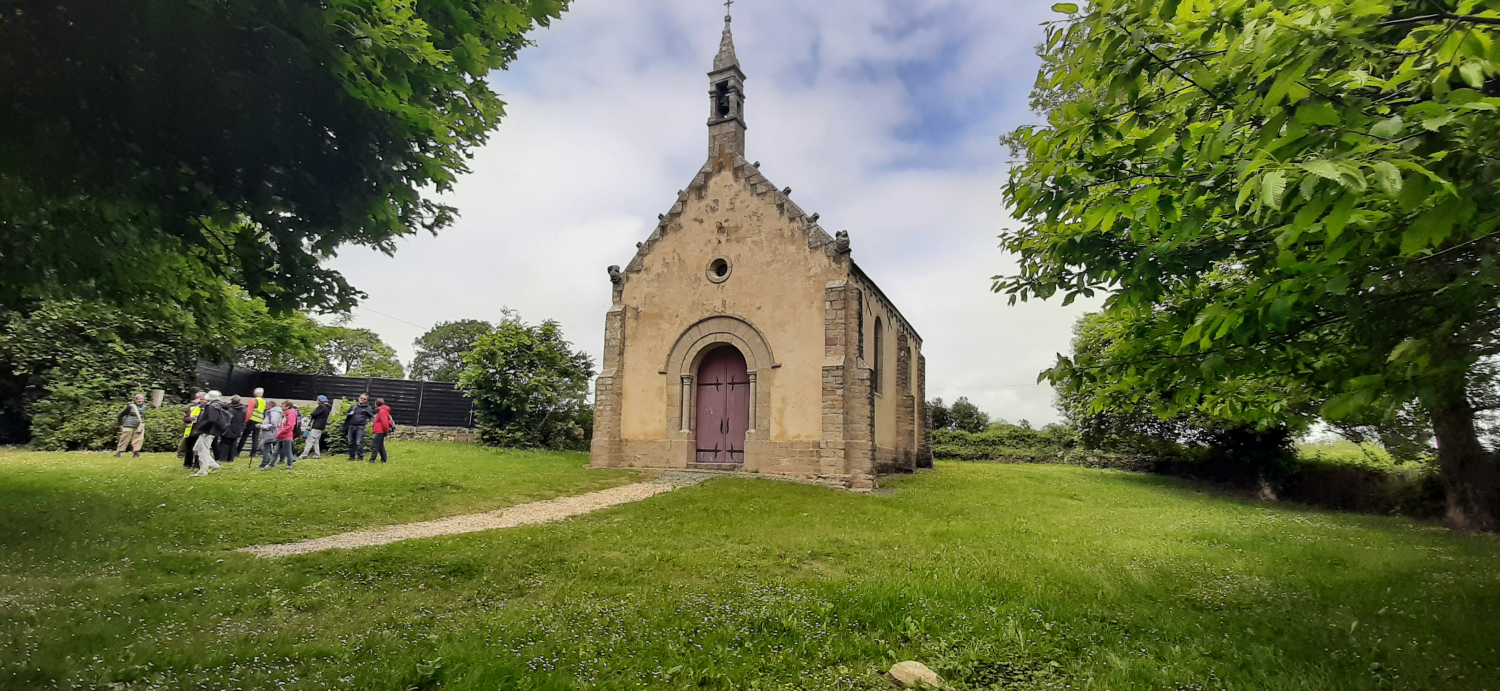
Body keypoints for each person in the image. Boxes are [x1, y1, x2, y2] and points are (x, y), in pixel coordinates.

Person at [189, 391, 226, 477]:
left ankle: (203, 470)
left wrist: (201, 427)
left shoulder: (212, 406)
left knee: (203, 450)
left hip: (208, 431)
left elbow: (211, 420)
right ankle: (213, 465)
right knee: (197, 448)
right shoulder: (217, 405)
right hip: (211, 431)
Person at [237, 388, 269, 458]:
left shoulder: (253, 400)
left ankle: (238, 451)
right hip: (259, 420)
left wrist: (245, 421)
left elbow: (249, 411)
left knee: (244, 436)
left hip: (251, 420)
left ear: (254, 393)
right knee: (255, 437)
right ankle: (253, 453)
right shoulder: (264, 401)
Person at [343, 394, 375, 461]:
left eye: (364, 399)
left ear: (366, 400)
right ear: (358, 398)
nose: (362, 400)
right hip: (351, 426)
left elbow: (371, 416)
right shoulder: (354, 406)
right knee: (350, 442)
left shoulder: (368, 408)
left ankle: (360, 457)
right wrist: (350, 414)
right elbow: (347, 414)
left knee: (358, 442)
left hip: (360, 427)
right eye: (361, 398)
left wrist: (371, 422)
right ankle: (352, 457)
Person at [114, 394, 147, 458]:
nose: (140, 400)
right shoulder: (131, 406)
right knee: (124, 439)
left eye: (141, 399)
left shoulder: (145, 407)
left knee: (138, 439)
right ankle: (119, 453)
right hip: (128, 425)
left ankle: (136, 452)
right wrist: (121, 425)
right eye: (138, 399)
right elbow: (120, 415)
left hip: (139, 425)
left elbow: (143, 416)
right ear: (135, 399)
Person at [300, 396, 332, 460]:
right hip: (321, 426)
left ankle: (304, 455)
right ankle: (317, 454)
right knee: (316, 441)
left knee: (310, 440)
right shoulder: (328, 407)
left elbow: (314, 414)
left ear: (320, 400)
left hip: (316, 426)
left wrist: (310, 415)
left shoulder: (322, 407)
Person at [179, 392, 206, 467]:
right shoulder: (193, 407)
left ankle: (197, 464)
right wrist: (189, 419)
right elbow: (185, 416)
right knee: (189, 449)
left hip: (200, 431)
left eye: (202, 399)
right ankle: (188, 464)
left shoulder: (208, 409)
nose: (201, 400)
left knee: (198, 449)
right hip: (191, 431)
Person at [218, 395, 247, 463]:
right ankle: (231, 458)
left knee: (225, 443)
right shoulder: (243, 409)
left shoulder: (228, 409)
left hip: (228, 427)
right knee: (234, 443)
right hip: (238, 428)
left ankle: (223, 458)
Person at [257, 400, 284, 470]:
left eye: (267, 405)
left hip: (271, 433)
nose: (265, 406)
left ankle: (266, 461)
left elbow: (274, 424)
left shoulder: (274, 413)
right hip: (268, 433)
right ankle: (266, 461)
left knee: (263, 447)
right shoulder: (270, 412)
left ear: (271, 406)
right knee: (265, 447)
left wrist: (262, 426)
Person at [276, 400, 300, 470]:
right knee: (277, 451)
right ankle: (270, 464)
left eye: (283, 406)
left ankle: (290, 464)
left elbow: (290, 426)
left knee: (288, 450)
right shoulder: (285, 414)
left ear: (287, 406)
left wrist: (281, 432)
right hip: (282, 434)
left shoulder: (291, 414)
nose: (282, 407)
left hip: (287, 435)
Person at [370, 398, 394, 464]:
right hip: (380, 430)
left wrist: (386, 431)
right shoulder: (382, 411)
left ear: (376, 404)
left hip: (381, 431)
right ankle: (384, 459)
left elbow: (384, 422)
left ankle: (372, 460)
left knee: (375, 445)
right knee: (380, 446)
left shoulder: (382, 411)